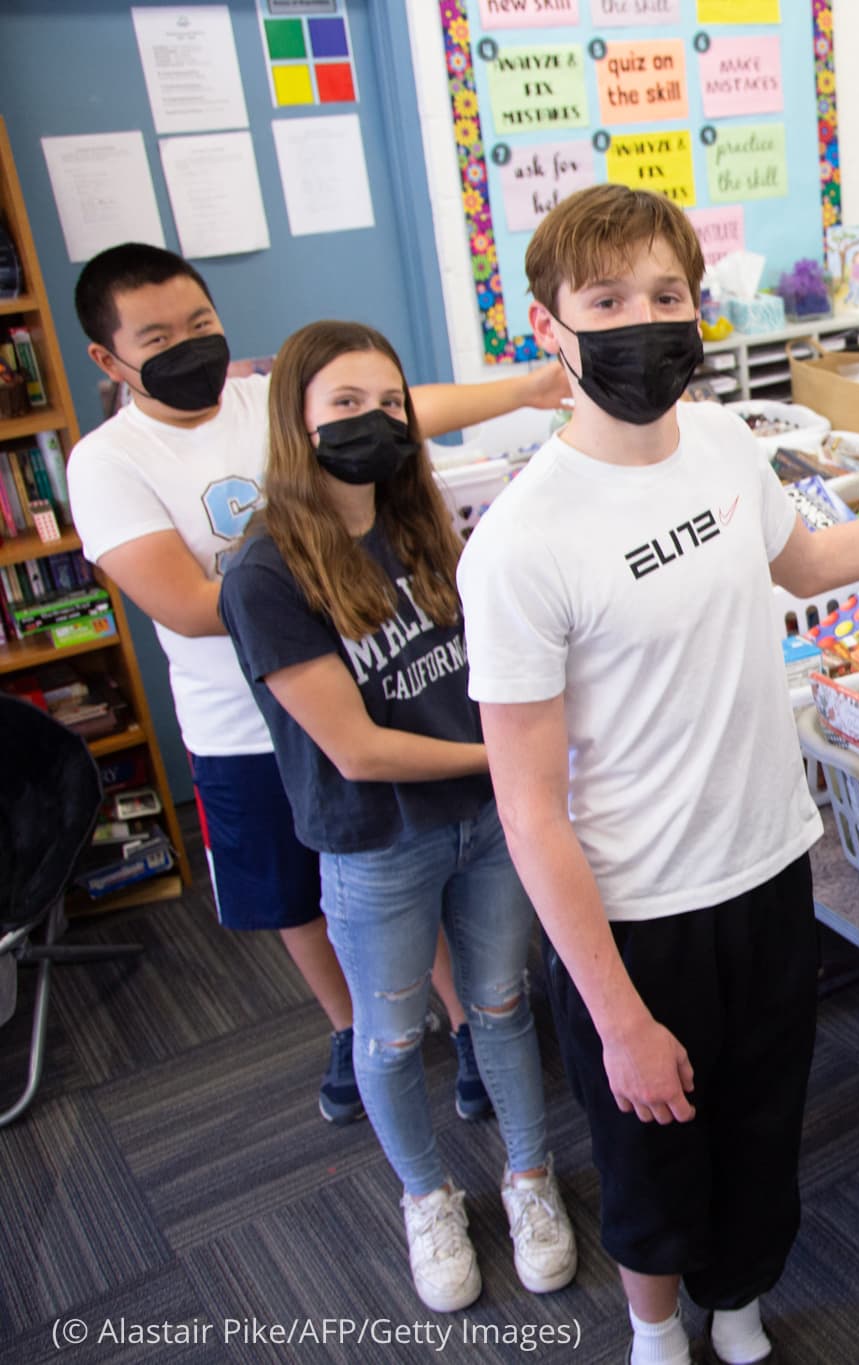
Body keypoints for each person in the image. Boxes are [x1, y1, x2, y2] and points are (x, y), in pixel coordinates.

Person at [458, 183, 859, 1365]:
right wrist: (616, 1016)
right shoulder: (521, 544)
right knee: (648, 1145)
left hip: (767, 868)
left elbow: (811, 563)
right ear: (548, 325)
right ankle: (653, 1332)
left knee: (759, 1118)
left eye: (666, 295)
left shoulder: (723, 442)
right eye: (606, 300)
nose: (643, 320)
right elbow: (528, 816)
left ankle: (738, 1302)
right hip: (637, 911)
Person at [66, 244, 566, 1123]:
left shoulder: (269, 396)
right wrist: (321, 579)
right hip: (240, 721)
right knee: (299, 893)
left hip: (371, 683)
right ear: (109, 358)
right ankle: (351, 1025)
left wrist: (526, 390)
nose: (190, 345)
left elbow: (399, 404)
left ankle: (462, 1023)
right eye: (159, 337)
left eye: (200, 322)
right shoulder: (107, 461)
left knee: (402, 862)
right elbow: (184, 603)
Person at [217, 321, 573, 1314]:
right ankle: (427, 1197)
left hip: (484, 820)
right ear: (297, 421)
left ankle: (530, 1176)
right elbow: (358, 751)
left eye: (389, 404)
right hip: (378, 840)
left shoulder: (419, 519)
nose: (372, 422)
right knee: (387, 1036)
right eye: (345, 404)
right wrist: (510, 757)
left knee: (500, 1003)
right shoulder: (263, 571)